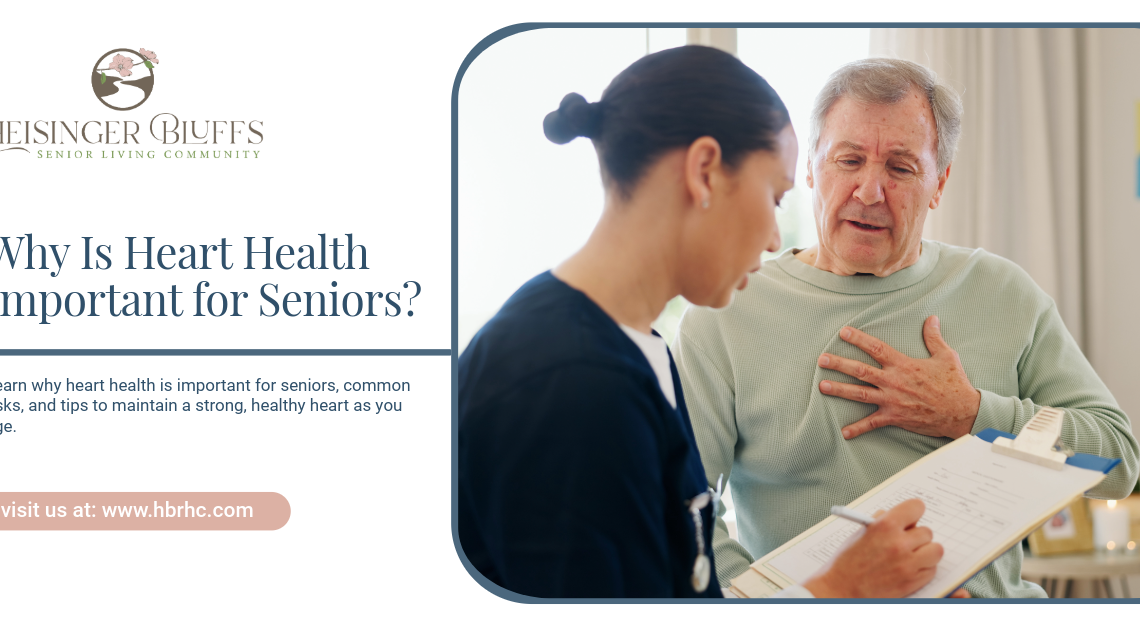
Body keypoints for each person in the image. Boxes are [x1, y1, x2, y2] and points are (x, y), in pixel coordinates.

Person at [458, 46, 959, 599]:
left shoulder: (636, 352)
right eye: (773, 195)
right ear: (703, 172)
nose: (775, 237)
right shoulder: (567, 383)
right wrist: (839, 590)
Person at [673, 57, 1140, 598]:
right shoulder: (727, 311)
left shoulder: (1003, 291)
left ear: (939, 183)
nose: (871, 191)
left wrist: (973, 415)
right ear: (809, 169)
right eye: (848, 160)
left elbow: (1118, 459)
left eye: (901, 167)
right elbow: (685, 508)